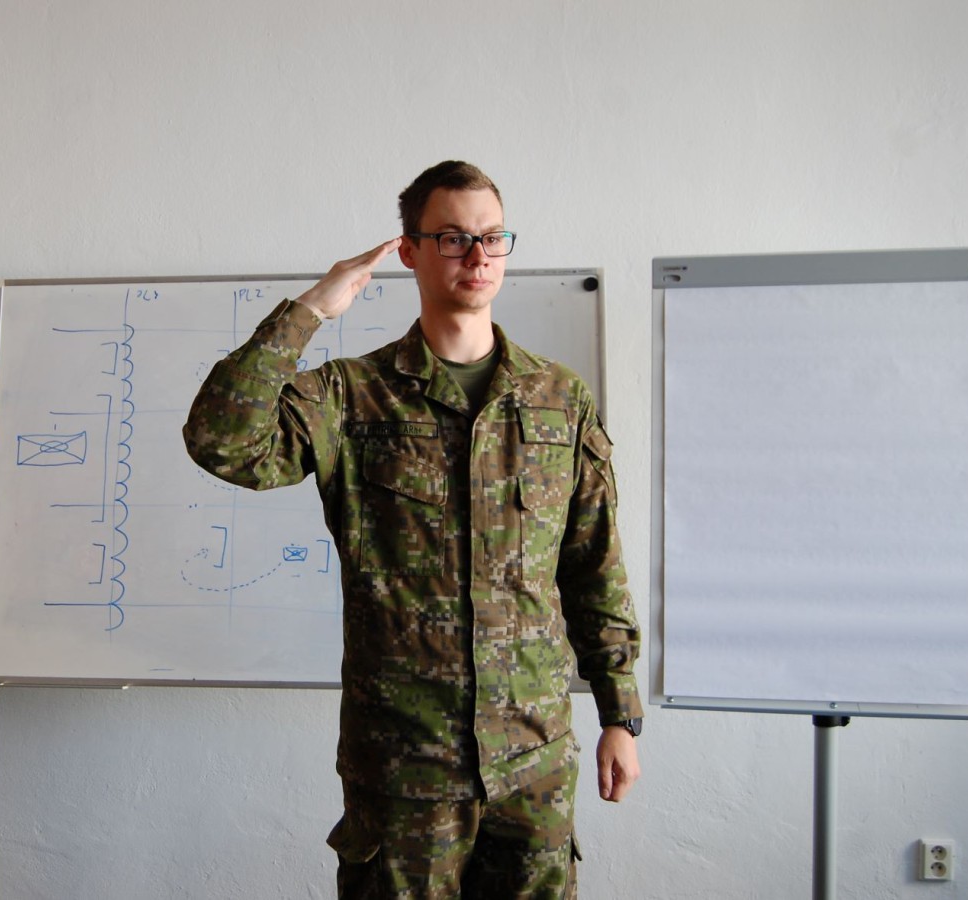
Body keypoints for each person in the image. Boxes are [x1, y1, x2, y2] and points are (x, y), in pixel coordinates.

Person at [182, 160, 642, 899]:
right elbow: (222, 442)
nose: (478, 255)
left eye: (493, 237)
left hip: (533, 766)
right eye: (453, 237)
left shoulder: (558, 399)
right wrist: (308, 311)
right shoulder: (352, 396)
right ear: (410, 252)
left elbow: (594, 564)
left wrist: (620, 714)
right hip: (403, 771)